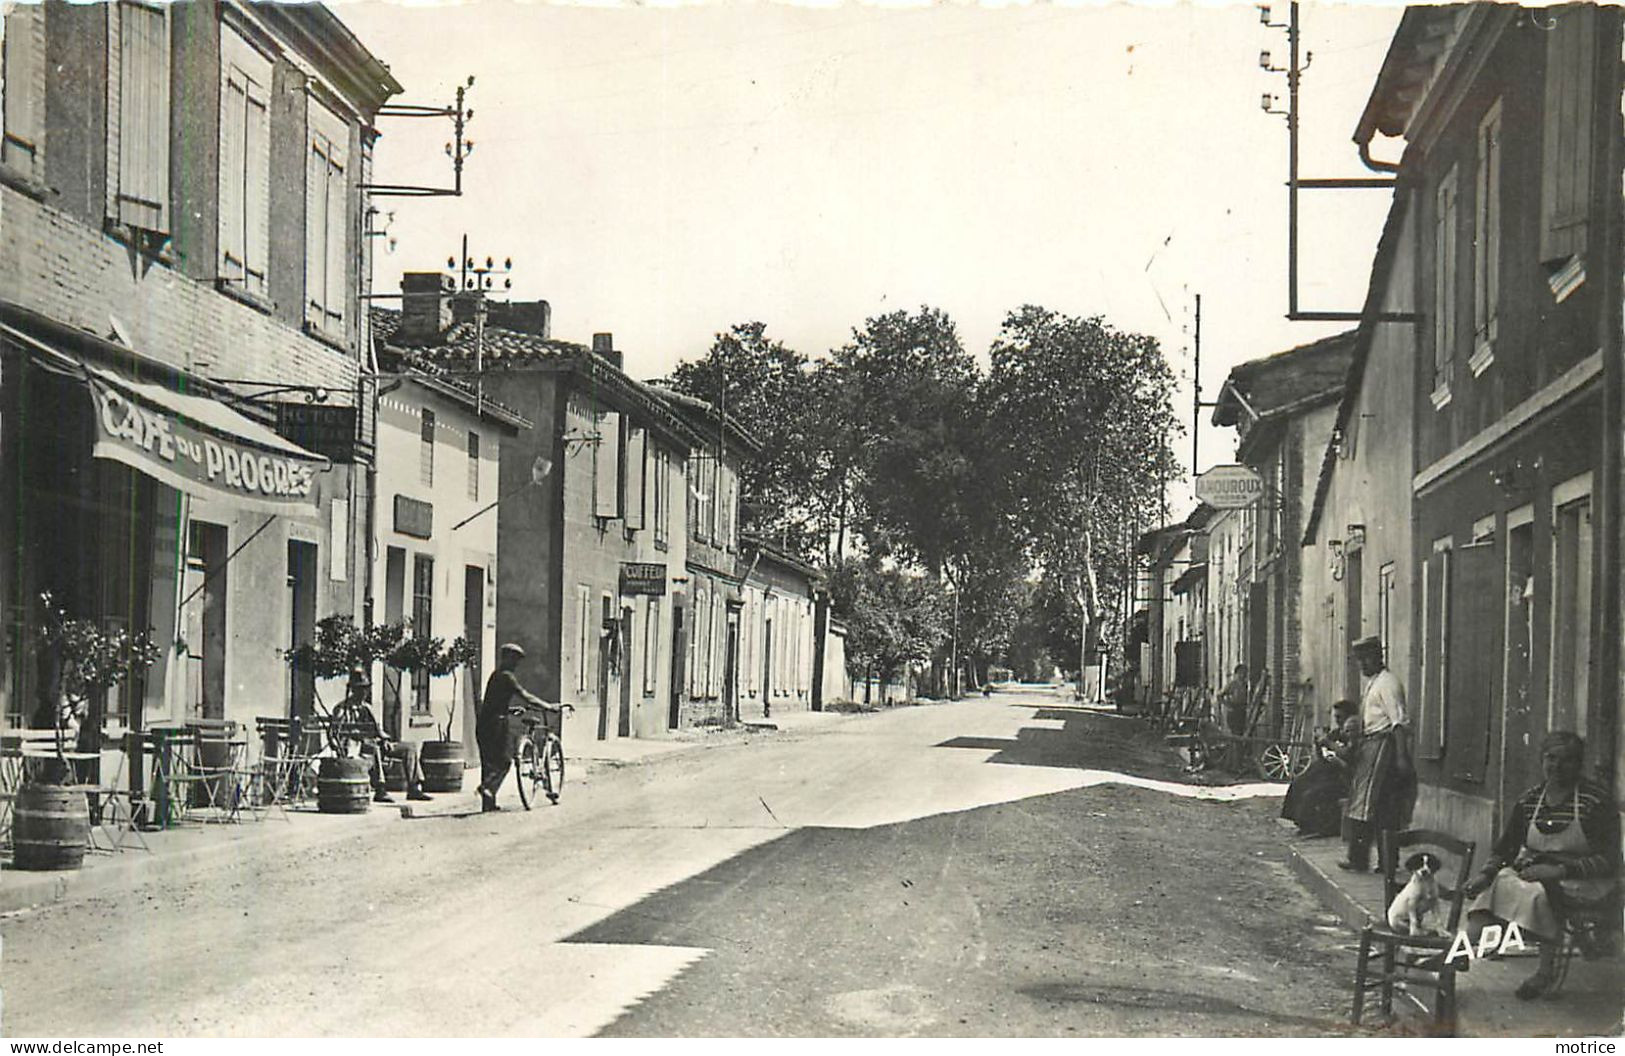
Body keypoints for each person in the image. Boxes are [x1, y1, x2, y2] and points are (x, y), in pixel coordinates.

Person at [1462, 731, 1620, 999]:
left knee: (1539, 893)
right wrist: (1484, 875)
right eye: (1550, 758)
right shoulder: (1530, 800)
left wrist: (1560, 870)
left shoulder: (1595, 802)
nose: (1556, 766)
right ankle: (1461, 950)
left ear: (1578, 763)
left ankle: (1546, 972)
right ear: (1541, 760)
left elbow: (1611, 861)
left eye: (1566, 760)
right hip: (1535, 874)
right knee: (1499, 882)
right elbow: (1506, 848)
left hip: (1584, 882)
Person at [1339, 635, 1413, 873]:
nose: (1362, 666)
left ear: (1376, 657)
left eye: (1365, 660)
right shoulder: (1375, 682)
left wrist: (1401, 758)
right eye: (1359, 661)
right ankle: (1363, 859)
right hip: (1371, 745)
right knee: (1372, 805)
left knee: (1374, 805)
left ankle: (1380, 861)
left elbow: (1398, 722)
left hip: (1384, 747)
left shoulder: (1388, 683)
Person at [476, 643, 572, 812]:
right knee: (505, 761)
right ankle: (488, 787)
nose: (516, 664)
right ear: (506, 658)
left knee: (489, 762)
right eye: (514, 659)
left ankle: (488, 803)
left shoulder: (495, 675)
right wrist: (548, 706)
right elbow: (525, 695)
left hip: (485, 722)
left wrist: (510, 709)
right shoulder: (507, 676)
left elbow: (493, 702)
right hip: (496, 724)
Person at [332, 666, 431, 803]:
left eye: (365, 689)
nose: (364, 692)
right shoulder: (342, 709)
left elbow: (379, 729)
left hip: (375, 742)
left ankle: (414, 787)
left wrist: (385, 739)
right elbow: (337, 732)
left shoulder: (367, 708)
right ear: (353, 690)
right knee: (374, 748)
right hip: (357, 747)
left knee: (409, 747)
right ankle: (380, 788)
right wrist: (356, 737)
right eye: (360, 689)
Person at [1280, 699, 1360, 837]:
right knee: (1299, 783)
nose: (1338, 721)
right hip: (1331, 773)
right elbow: (1322, 752)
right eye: (1336, 717)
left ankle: (1316, 827)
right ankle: (1298, 821)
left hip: (1345, 778)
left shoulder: (1354, 734)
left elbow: (1350, 758)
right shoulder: (1337, 733)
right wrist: (1318, 743)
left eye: (1340, 717)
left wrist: (1333, 752)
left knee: (1312, 793)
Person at [1219, 664, 1251, 736]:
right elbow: (1219, 696)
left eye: (1244, 673)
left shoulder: (1246, 685)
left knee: (1241, 732)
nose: (1243, 675)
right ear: (1236, 674)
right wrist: (1228, 705)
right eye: (1241, 673)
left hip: (1242, 711)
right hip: (1234, 711)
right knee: (1235, 733)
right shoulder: (1232, 685)